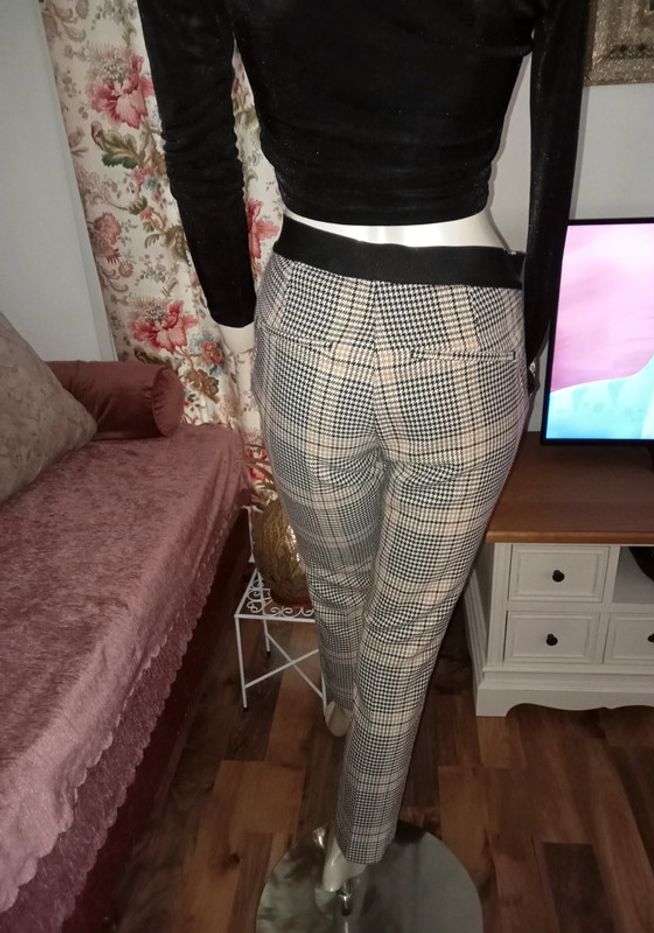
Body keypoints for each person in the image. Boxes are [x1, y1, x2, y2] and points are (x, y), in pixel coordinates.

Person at [137, 0, 589, 893]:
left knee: (347, 592)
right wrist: (532, 337)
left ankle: (353, 774)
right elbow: (556, 151)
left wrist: (235, 327)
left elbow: (196, 142)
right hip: (467, 323)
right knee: (399, 631)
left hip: (308, 319)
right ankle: (355, 812)